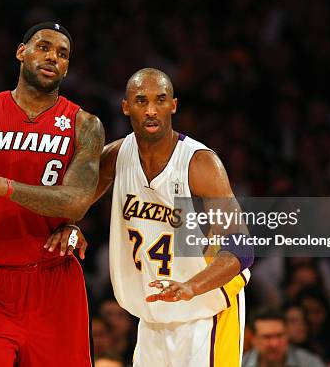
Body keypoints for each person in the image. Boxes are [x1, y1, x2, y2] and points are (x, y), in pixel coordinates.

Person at [47, 68, 252, 366]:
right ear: (126, 106)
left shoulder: (200, 163)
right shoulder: (116, 156)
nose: (152, 110)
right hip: (153, 316)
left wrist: (191, 286)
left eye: (161, 100)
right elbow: (71, 204)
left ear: (174, 105)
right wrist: (70, 226)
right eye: (141, 101)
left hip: (205, 313)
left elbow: (242, 250)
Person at [0, 22, 104, 366]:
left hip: (54, 283)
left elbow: (77, 201)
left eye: (62, 54)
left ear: (68, 67)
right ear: (21, 51)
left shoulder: (84, 125)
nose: (52, 57)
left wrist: (4, 186)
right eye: (43, 47)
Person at [242, 308, 325, 367]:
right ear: (253, 339)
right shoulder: (239, 364)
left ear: (287, 335)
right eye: (267, 337)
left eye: (279, 335)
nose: (274, 344)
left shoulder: (309, 363)